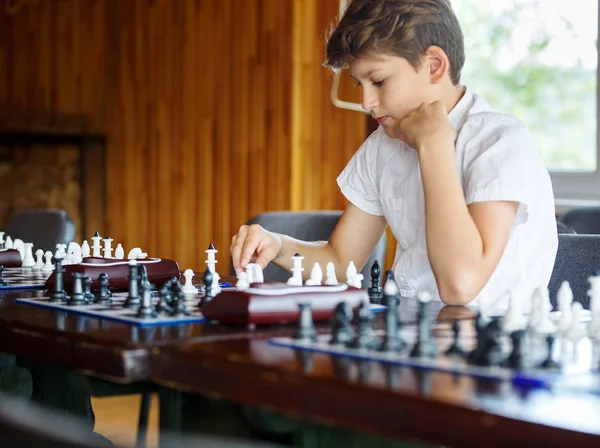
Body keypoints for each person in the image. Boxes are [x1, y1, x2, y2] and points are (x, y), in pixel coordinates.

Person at [230, 0, 558, 312]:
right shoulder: (382, 147)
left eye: (379, 80)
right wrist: (278, 244)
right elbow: (343, 261)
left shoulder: (501, 143)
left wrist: (434, 145)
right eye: (360, 85)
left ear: (434, 66)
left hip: (494, 349)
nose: (367, 102)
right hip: (414, 336)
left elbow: (460, 286)